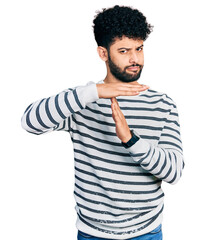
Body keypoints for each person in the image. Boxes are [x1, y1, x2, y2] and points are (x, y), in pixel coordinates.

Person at [21, 5, 185, 240]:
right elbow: (29, 122)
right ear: (103, 53)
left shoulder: (162, 104)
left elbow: (174, 171)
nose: (135, 59)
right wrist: (94, 92)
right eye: (124, 51)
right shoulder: (82, 100)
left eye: (139, 49)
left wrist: (131, 140)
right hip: (92, 233)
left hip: (146, 232)